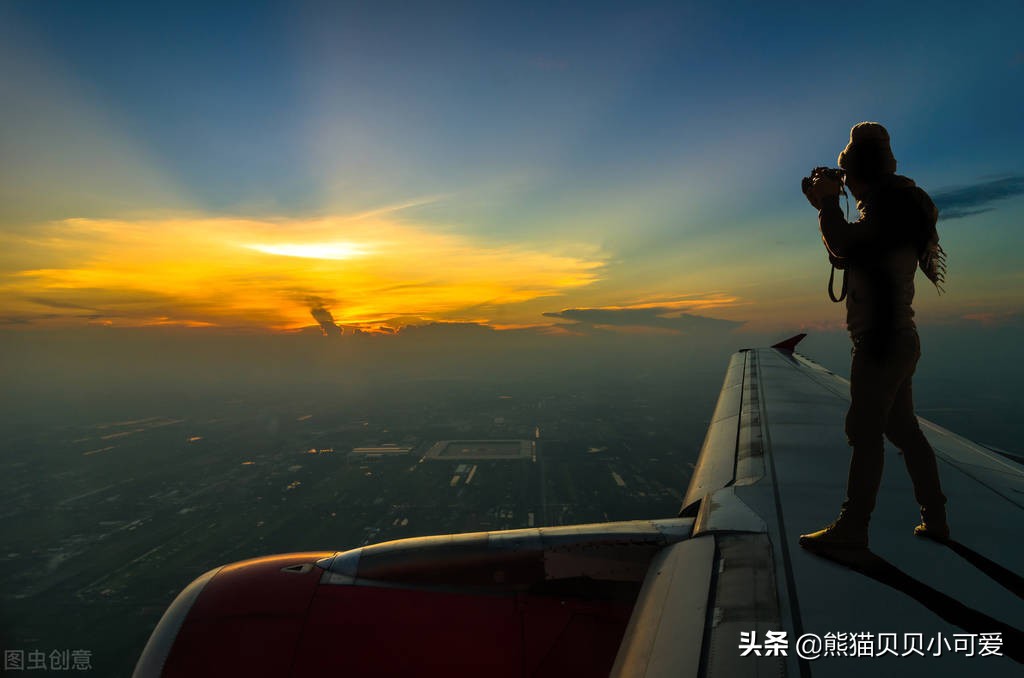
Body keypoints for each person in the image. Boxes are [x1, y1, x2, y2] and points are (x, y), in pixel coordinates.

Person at [798, 122, 949, 551]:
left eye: (846, 174)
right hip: (901, 339)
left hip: (881, 343)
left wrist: (827, 205)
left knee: (863, 431)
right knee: (902, 429)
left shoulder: (887, 212)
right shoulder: (898, 210)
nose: (845, 182)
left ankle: (852, 529)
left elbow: (844, 246)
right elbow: (849, 253)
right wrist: (830, 205)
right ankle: (935, 518)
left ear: (862, 170)